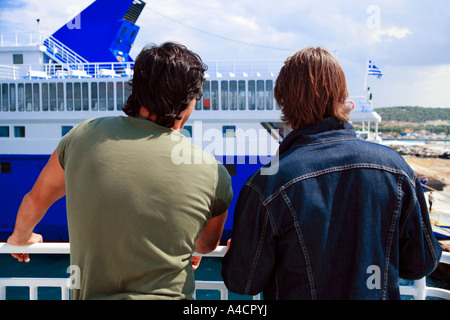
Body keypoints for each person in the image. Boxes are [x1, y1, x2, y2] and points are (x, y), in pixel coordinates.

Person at [7, 42, 233, 300]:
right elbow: (205, 245)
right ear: (189, 101)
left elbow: (37, 198)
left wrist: (21, 236)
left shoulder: (82, 136)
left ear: (136, 89)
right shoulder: (214, 172)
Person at [221, 47, 442, 300]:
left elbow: (243, 283)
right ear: (343, 97)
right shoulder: (396, 169)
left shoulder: (266, 184)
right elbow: (422, 263)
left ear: (282, 102)